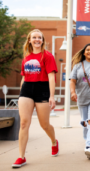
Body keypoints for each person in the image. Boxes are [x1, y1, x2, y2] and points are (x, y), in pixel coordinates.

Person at [12, 29, 58, 168]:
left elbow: (51, 77)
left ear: (42, 40)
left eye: (39, 37)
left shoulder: (47, 56)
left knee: (44, 125)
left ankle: (54, 142)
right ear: (29, 40)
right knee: (24, 123)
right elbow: (24, 77)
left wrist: (51, 96)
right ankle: (21, 156)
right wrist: (21, 93)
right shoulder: (26, 57)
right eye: (34, 37)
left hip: (42, 89)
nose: (37, 39)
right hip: (27, 89)